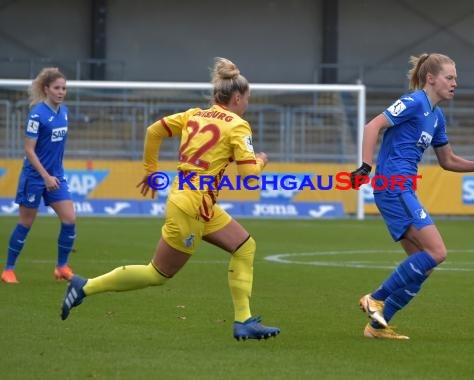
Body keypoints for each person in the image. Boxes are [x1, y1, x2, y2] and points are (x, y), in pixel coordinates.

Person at [60, 57, 280, 341]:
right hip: (191, 208)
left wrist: (151, 171)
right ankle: (85, 286)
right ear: (237, 97)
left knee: (244, 246)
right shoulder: (238, 125)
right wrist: (261, 160)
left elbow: (154, 131)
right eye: (247, 99)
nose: (247, 104)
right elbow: (250, 176)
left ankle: (243, 320)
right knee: (158, 274)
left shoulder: (194, 115)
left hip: (196, 203)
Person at [350, 53, 474, 340]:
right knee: (438, 252)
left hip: (402, 188)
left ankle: (375, 327)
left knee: (424, 265)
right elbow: (373, 126)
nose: (455, 83)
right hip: (393, 186)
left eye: (455, 78)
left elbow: (448, 160)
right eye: (449, 77)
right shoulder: (413, 102)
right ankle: (375, 298)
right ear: (431, 79)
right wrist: (365, 166)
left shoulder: (436, 116)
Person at [1, 67, 76, 284]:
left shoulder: (64, 112)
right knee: (26, 222)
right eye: (57, 88)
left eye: (64, 88)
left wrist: (54, 174)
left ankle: (61, 267)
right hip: (35, 177)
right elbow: (29, 150)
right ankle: (8, 270)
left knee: (70, 219)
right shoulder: (37, 115)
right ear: (46, 89)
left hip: (56, 177)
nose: (61, 92)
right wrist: (44, 176)